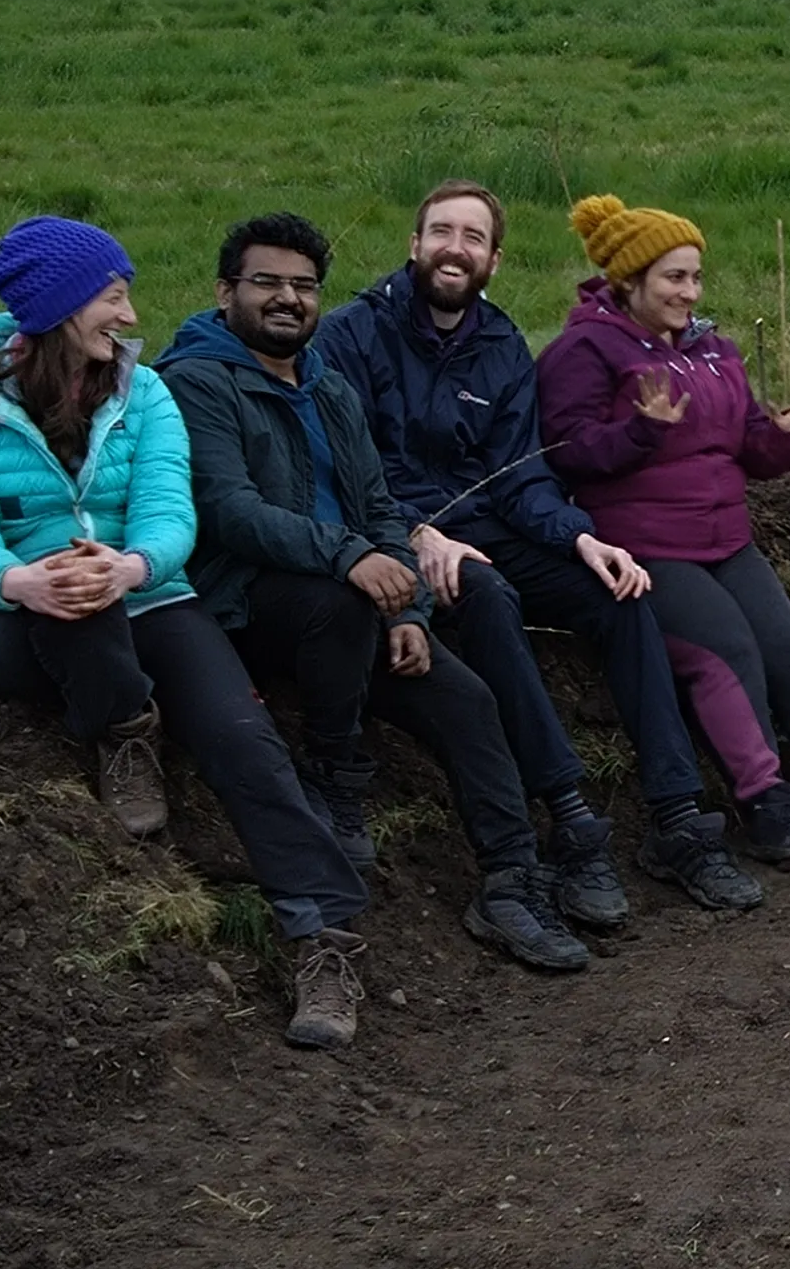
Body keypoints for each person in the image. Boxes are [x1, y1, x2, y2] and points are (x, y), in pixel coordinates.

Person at [0, 215, 372, 1051]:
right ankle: (122, 723)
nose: (128, 319)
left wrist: (130, 566)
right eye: (113, 299)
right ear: (59, 308)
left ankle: (325, 942)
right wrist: (21, 579)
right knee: (67, 584)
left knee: (246, 737)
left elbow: (172, 513)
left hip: (151, 596)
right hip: (18, 619)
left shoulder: (146, 392)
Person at [316, 180, 766, 919]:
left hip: (492, 525)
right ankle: (571, 819)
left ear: (494, 258)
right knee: (490, 598)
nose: (454, 249)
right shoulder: (351, 336)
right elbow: (342, 466)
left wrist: (582, 536)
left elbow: (523, 474)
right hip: (400, 534)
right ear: (414, 244)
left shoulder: (500, 345)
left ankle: (678, 819)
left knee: (621, 595)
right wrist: (415, 534)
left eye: (473, 238)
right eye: (441, 232)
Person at [159, 213, 590, 975]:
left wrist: (412, 609)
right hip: (251, 603)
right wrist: (355, 560)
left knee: (468, 702)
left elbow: (379, 505)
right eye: (267, 283)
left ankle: (510, 882)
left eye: (303, 286)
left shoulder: (327, 386)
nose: (288, 299)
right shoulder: (195, 383)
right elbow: (229, 511)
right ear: (226, 292)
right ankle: (334, 771)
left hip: (359, 600)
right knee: (340, 601)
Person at [538, 192, 790, 865]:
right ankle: (766, 803)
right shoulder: (583, 351)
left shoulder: (715, 351)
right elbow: (567, 453)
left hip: (727, 539)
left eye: (696, 276)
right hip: (645, 547)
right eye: (675, 277)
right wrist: (641, 431)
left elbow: (750, 453)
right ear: (630, 280)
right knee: (726, 652)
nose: (691, 291)